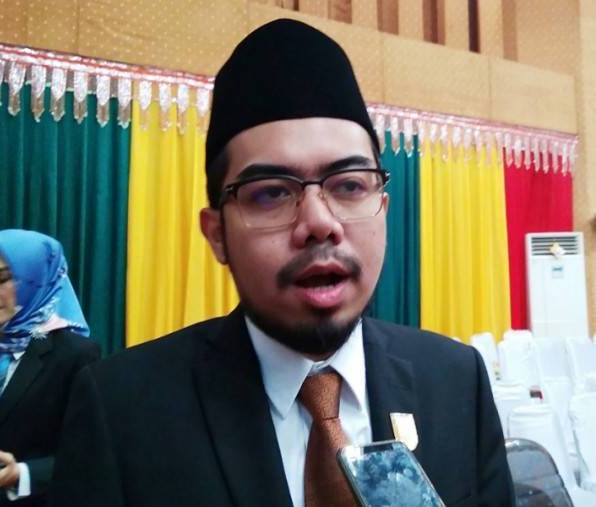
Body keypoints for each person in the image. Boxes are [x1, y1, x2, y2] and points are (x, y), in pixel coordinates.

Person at [50, 19, 514, 507]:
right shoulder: (122, 411)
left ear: (384, 207)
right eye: (271, 193)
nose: (319, 223)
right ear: (217, 235)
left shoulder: (455, 381)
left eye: (349, 185)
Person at [0, 229, 100, 506]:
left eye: (2, 279)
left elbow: (90, 453)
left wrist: (22, 474)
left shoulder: (74, 355)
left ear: (38, 278)